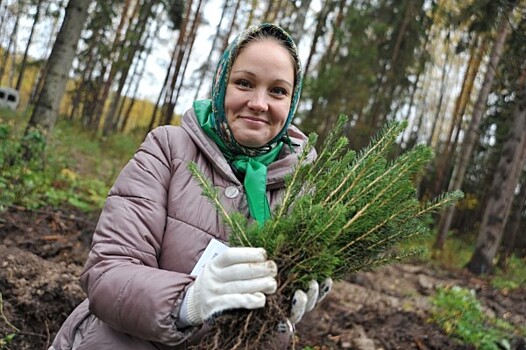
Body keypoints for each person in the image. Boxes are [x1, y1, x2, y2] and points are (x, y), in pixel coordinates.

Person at [50, 23, 332, 350]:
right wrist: (190, 301)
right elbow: (106, 276)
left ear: (292, 101)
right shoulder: (168, 149)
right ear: (221, 84)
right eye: (244, 83)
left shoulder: (300, 188)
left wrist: (280, 319)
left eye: (278, 91)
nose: (259, 102)